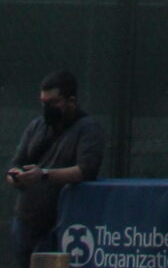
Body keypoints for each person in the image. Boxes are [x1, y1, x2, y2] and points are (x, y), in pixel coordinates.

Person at [6, 73, 104, 268]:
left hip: (59, 222)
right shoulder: (36, 126)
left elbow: (86, 170)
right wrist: (16, 177)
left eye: (53, 102)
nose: (47, 108)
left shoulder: (88, 128)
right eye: (43, 102)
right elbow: (14, 165)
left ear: (71, 100)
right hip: (25, 219)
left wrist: (43, 175)